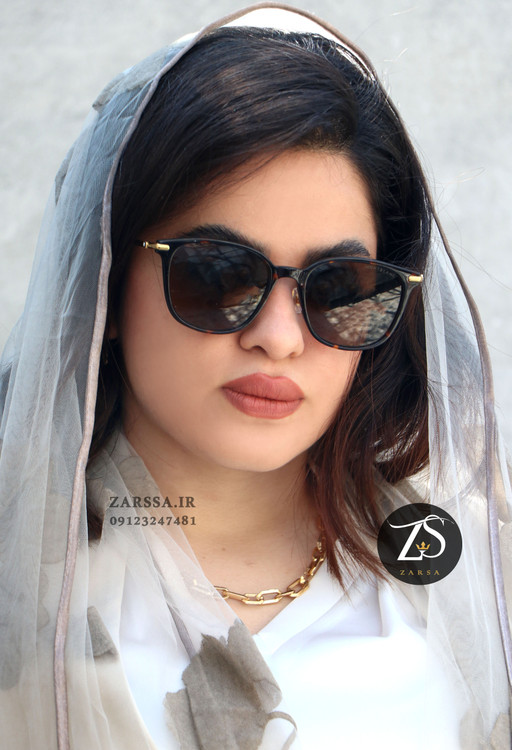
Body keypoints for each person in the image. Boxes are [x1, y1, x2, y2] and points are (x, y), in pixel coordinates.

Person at [0, 4, 510, 749]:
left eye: (339, 289)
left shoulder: (471, 586)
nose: (279, 338)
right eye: (218, 274)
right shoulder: (24, 600)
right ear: (104, 286)